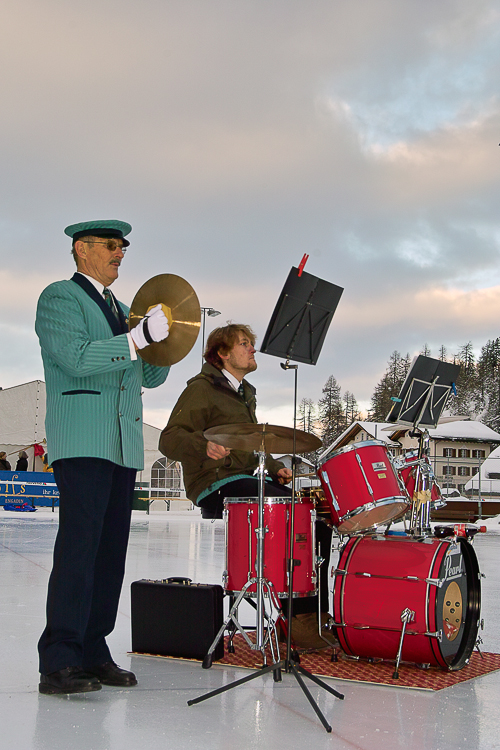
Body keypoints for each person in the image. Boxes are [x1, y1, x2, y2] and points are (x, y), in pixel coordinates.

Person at [35, 219, 170, 695]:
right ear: (82, 249)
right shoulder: (59, 298)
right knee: (79, 548)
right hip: (83, 439)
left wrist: (165, 341)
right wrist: (136, 339)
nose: (120, 253)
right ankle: (60, 658)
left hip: (121, 443)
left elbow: (150, 380)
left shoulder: (125, 309)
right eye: (112, 245)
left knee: (110, 554)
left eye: (124, 246)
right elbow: (74, 357)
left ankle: (94, 648)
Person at [159, 323, 335, 650]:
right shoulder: (202, 389)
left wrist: (276, 468)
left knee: (315, 523)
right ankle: (297, 620)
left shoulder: (243, 393)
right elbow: (168, 439)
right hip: (214, 482)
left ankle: (312, 615)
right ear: (222, 354)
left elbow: (252, 448)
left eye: (251, 344)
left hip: (244, 478)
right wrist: (204, 446)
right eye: (244, 344)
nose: (252, 349)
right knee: (293, 517)